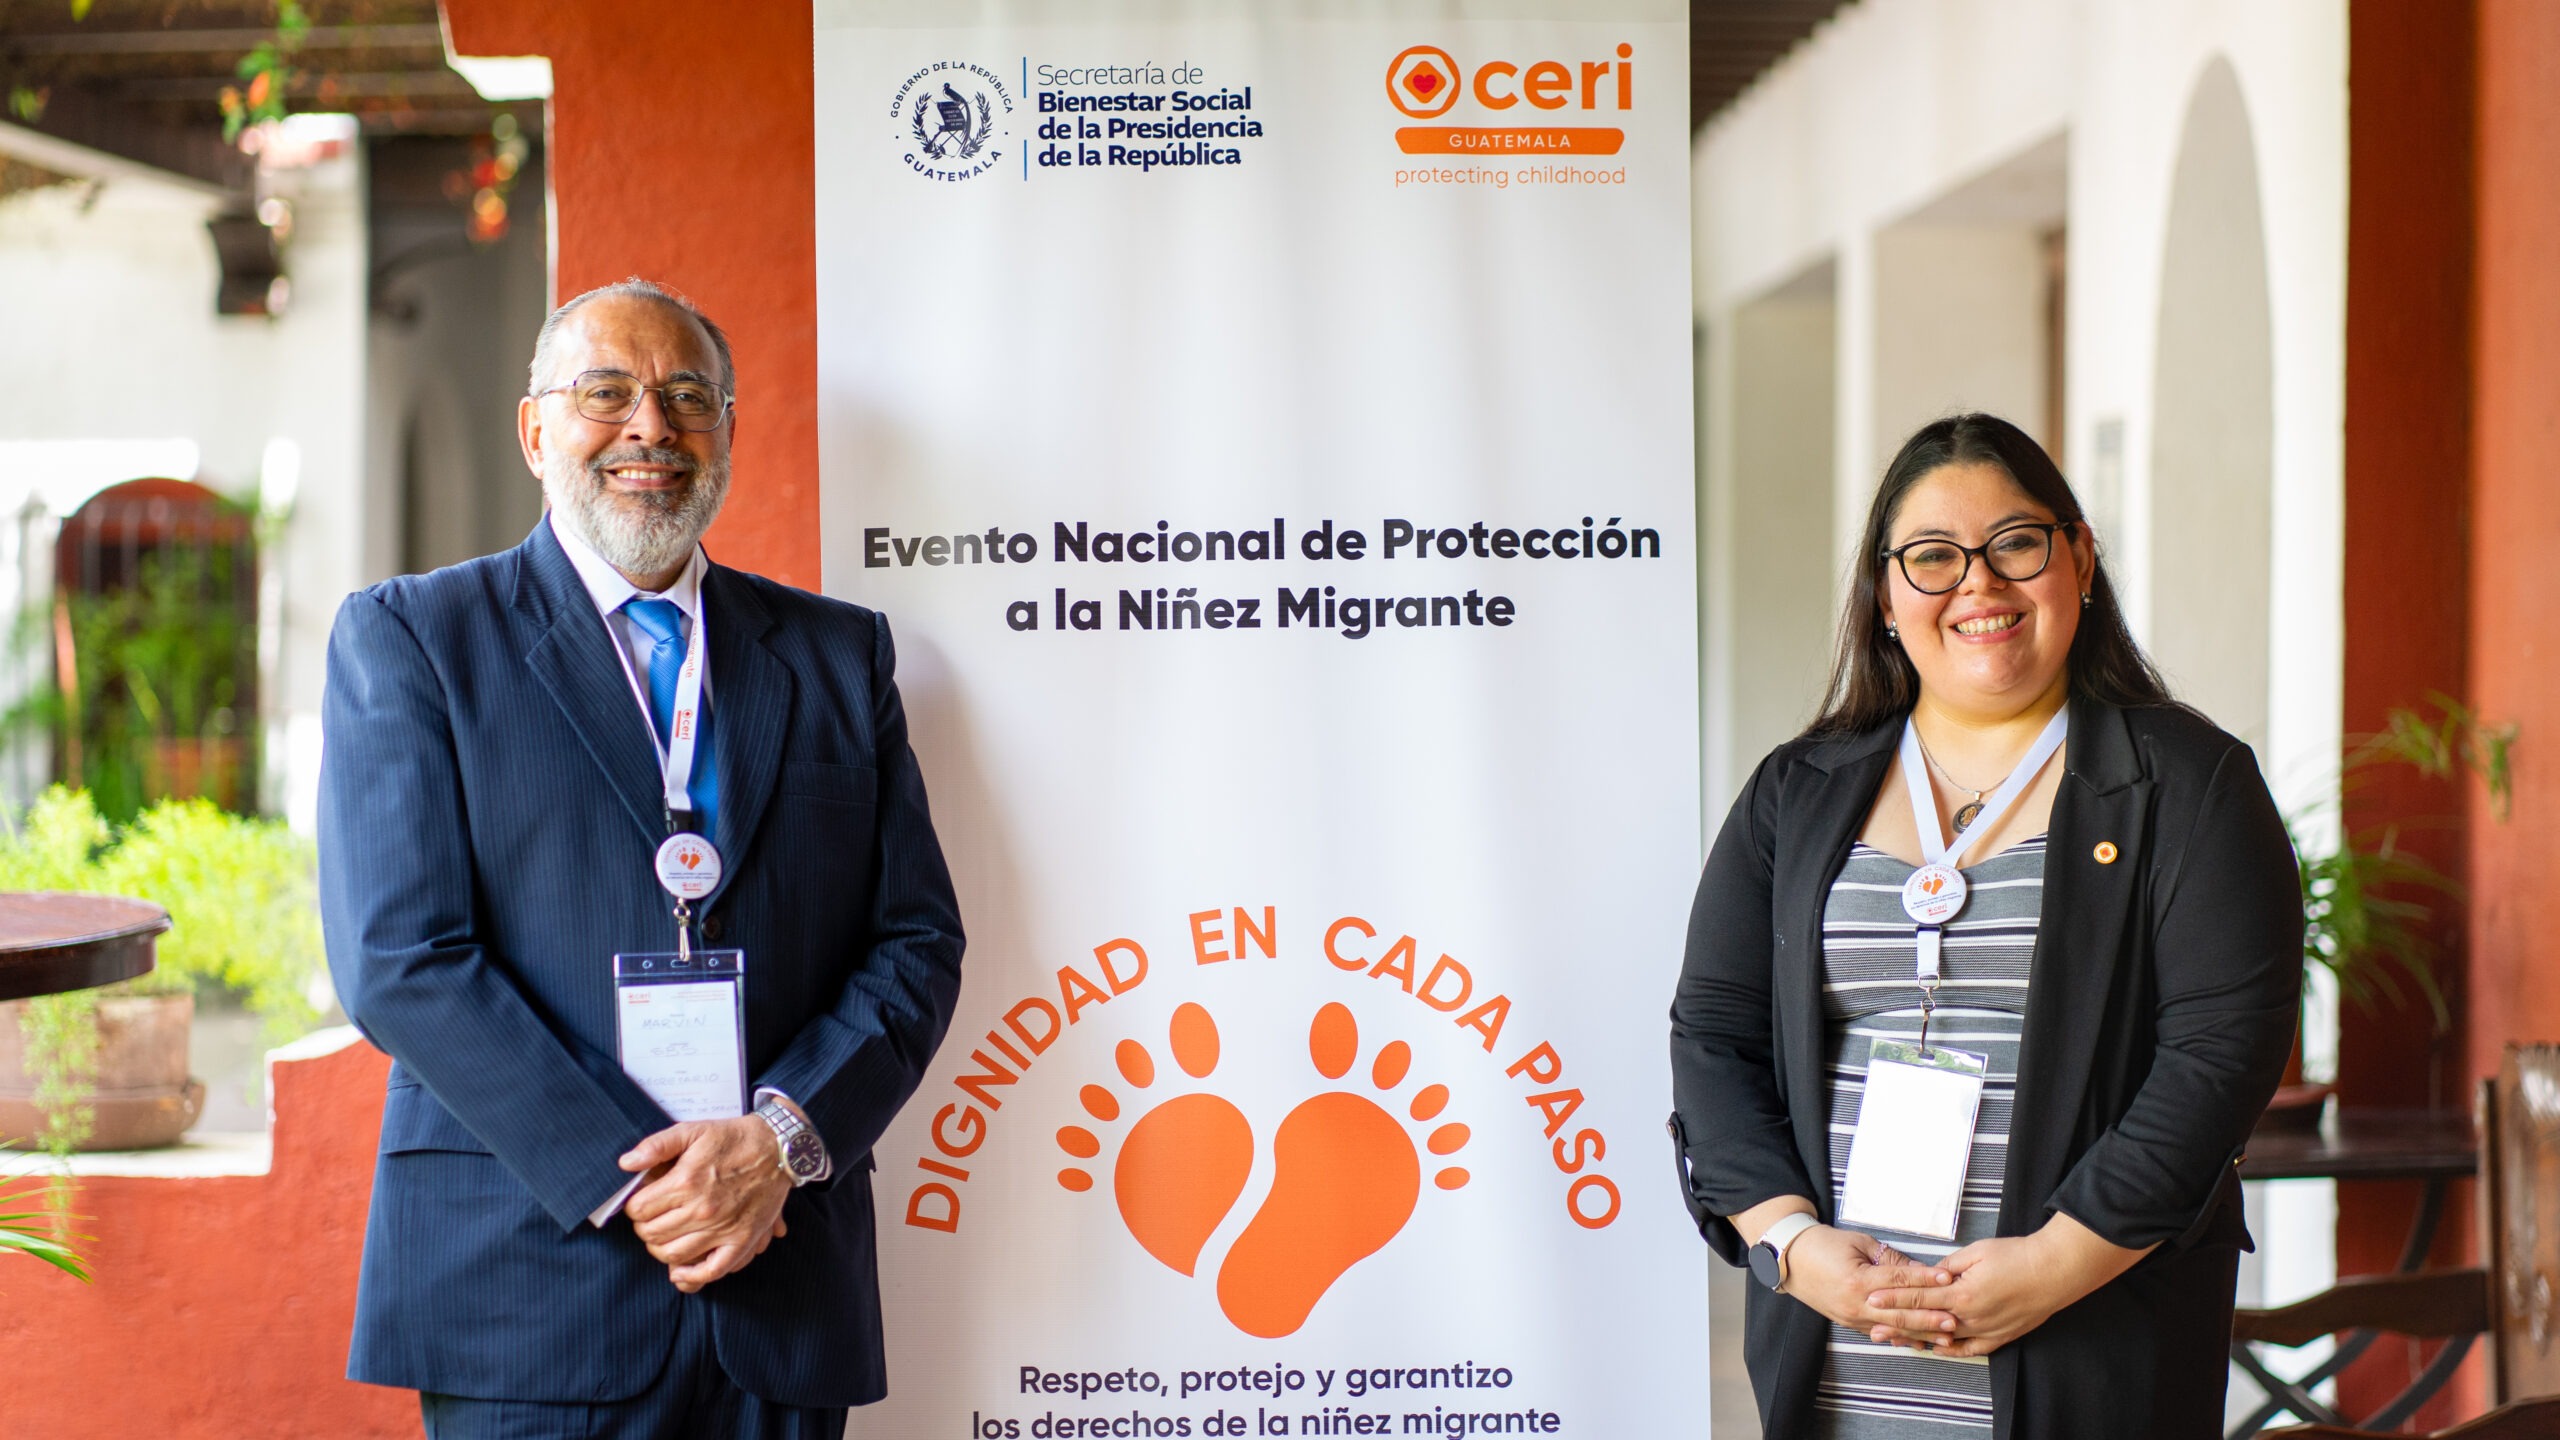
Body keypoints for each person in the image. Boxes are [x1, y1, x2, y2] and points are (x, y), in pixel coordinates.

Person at [319, 278, 965, 1439]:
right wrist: (643, 1178)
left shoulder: (837, 657)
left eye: (686, 397)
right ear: (534, 430)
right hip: (526, 1282)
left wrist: (778, 1142)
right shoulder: (416, 637)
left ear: (726, 430)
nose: (650, 428)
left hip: (778, 1273)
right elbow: (400, 957)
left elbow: (913, 942)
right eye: (605, 392)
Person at [1668, 413, 2300, 1438]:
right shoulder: (1797, 793)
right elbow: (1713, 1033)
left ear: (2079, 559)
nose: (1979, 584)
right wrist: (1788, 1242)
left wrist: (2055, 1264)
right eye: (1932, 557)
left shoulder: (2187, 784)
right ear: (1883, 595)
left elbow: (2218, 1054)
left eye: (2015, 544)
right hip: (1840, 1351)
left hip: (2089, 1343)